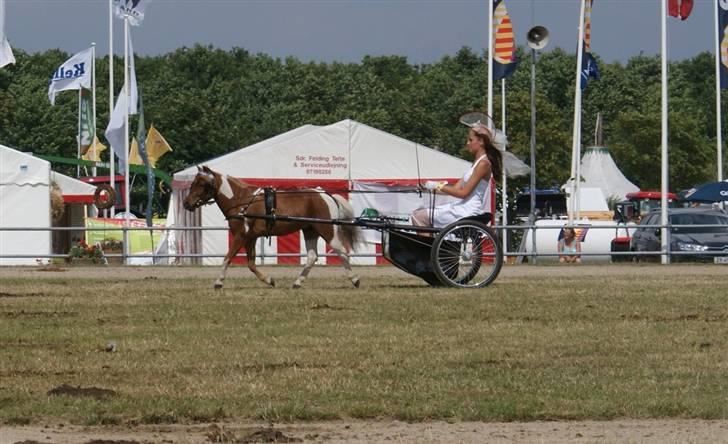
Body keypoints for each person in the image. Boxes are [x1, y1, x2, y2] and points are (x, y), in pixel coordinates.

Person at [411, 123, 503, 228]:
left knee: (419, 216)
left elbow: (463, 193)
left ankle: (429, 245)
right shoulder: (476, 164)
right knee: (419, 214)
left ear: (481, 141)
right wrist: (428, 189)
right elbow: (455, 189)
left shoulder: (483, 164)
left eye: (470, 140)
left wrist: (437, 185)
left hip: (468, 211)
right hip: (461, 207)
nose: (467, 143)